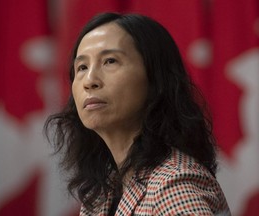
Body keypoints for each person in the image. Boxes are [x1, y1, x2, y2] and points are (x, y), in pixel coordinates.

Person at [45, 12, 231, 215]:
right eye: (81, 67)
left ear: (155, 79)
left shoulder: (174, 185)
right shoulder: (102, 193)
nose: (89, 80)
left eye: (110, 61)